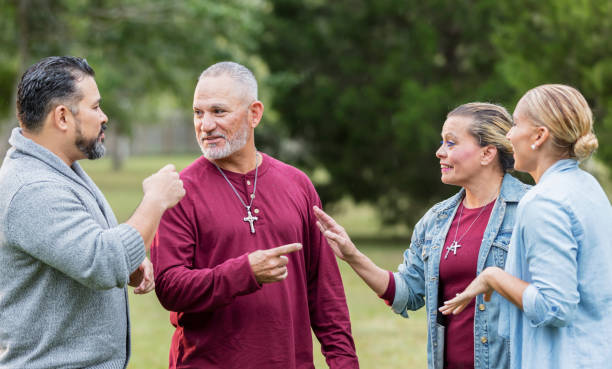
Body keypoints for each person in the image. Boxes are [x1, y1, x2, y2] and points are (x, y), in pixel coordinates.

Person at [151, 61, 359, 369]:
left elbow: (325, 290)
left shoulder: (297, 184)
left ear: (254, 113)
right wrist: (244, 273)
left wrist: (345, 363)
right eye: (198, 112)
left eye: (218, 112)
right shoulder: (179, 191)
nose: (205, 125)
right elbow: (169, 287)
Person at [0, 56, 185, 369]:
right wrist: (155, 200)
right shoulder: (33, 188)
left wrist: (129, 260)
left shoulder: (59, 170)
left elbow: (86, 249)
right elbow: (102, 261)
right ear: (62, 117)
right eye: (95, 106)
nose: (104, 116)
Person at [315, 102, 530, 369]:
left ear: (487, 153)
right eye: (442, 142)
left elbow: (548, 301)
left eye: (451, 143)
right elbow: (407, 294)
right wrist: (353, 255)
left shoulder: (529, 210)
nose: (440, 152)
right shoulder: (435, 220)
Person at [440, 85, 612, 368]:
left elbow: (555, 307)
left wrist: (493, 277)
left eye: (516, 124)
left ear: (539, 136)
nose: (508, 135)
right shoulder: (588, 188)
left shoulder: (543, 201)